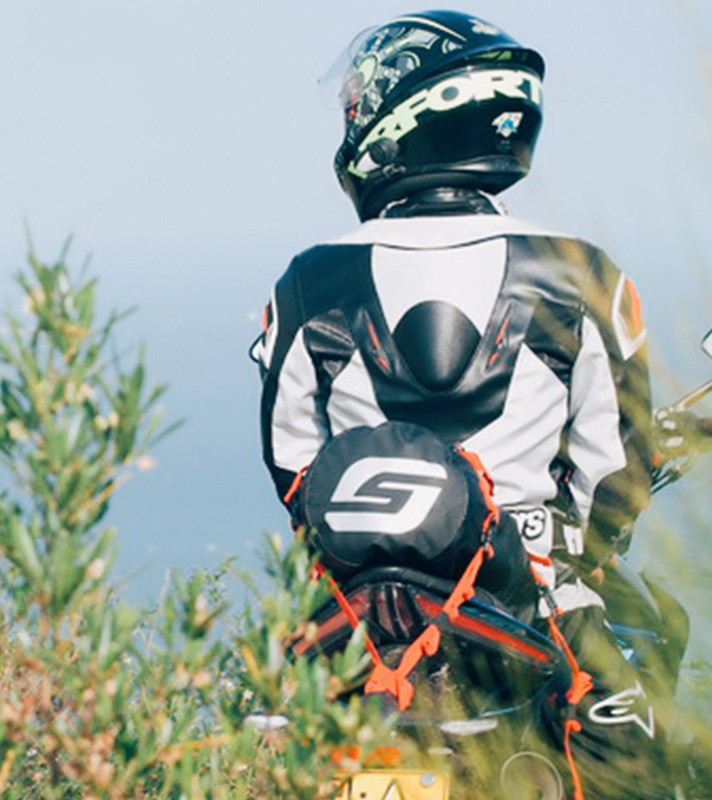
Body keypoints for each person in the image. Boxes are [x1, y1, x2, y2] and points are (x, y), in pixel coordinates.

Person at [252, 11, 668, 799]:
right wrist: (561, 547)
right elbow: (617, 468)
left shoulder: (306, 279)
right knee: (645, 766)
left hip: (361, 618)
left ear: (401, 118)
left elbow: (292, 465)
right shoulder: (582, 272)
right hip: (534, 602)